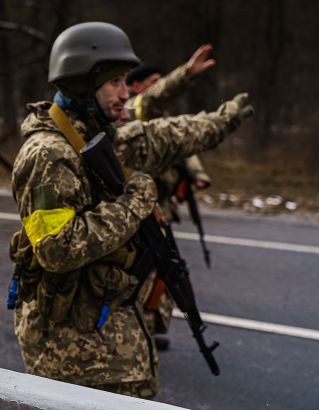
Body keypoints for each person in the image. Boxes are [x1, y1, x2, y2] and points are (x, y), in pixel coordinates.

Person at [9, 22, 252, 398]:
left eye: (126, 82)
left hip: (107, 341)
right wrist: (136, 202)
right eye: (116, 82)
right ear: (82, 82)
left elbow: (171, 134)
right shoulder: (48, 154)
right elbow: (56, 247)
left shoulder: (101, 137)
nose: (127, 93)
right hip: (75, 356)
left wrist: (224, 119)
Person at [124, 45, 217, 349]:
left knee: (164, 271)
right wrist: (185, 75)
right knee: (146, 271)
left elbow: (182, 147)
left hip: (161, 203)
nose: (157, 87)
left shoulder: (156, 116)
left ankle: (150, 329)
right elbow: (156, 96)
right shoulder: (137, 108)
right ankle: (138, 329)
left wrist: (198, 174)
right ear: (136, 86)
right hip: (142, 203)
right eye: (152, 82)